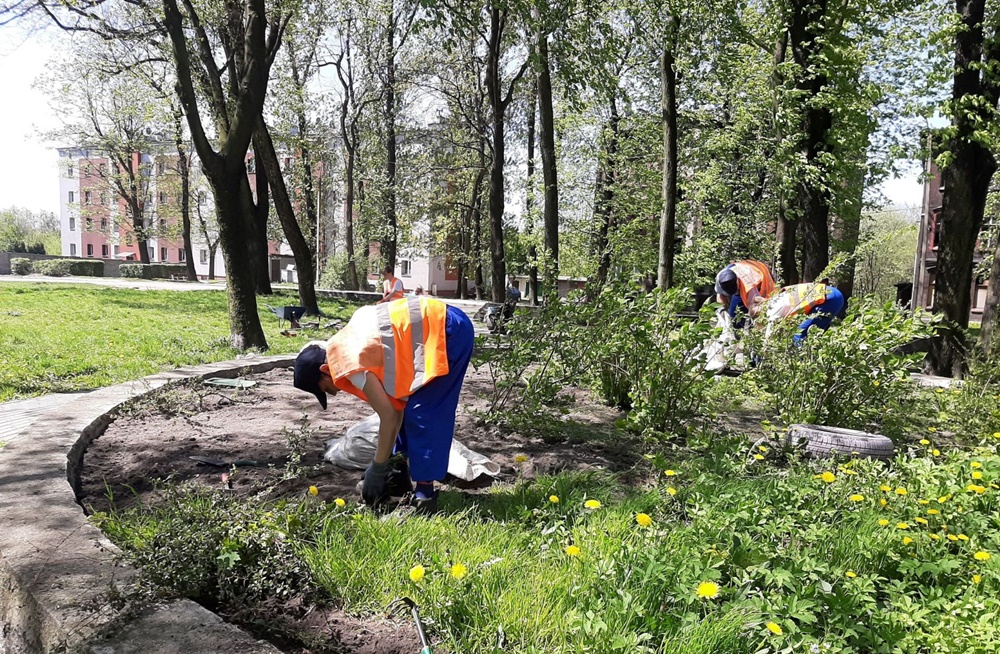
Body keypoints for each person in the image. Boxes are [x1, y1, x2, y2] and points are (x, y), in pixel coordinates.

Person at [292, 296, 474, 514]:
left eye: (324, 388)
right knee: (408, 411)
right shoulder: (345, 344)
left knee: (423, 414)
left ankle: (425, 499)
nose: (333, 392)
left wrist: (377, 469)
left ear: (324, 370)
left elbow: (388, 417)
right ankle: (398, 477)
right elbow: (395, 411)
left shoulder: (350, 362)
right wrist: (387, 464)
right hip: (439, 325)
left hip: (447, 332)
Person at [767, 282, 846, 345]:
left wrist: (757, 359)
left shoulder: (771, 310)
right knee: (815, 335)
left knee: (798, 335)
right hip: (832, 294)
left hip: (828, 298)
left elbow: (769, 335)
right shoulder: (776, 300)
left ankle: (801, 363)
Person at [714, 259, 776, 329]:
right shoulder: (721, 278)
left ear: (738, 280)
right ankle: (737, 332)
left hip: (761, 276)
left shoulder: (750, 284)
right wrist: (722, 311)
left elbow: (757, 307)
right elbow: (720, 295)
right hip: (743, 284)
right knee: (734, 320)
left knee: (762, 317)